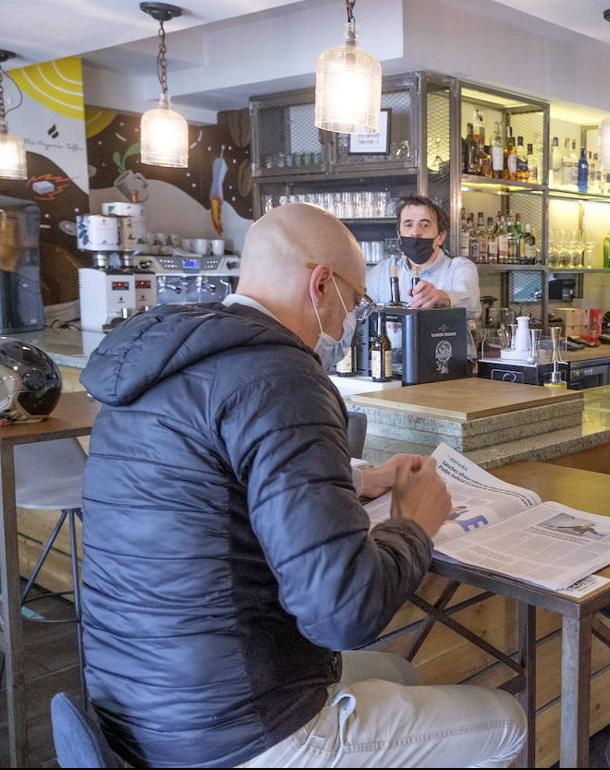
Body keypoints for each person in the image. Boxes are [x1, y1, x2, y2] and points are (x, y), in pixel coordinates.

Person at [79, 204, 525, 768]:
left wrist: (358, 478)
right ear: (321, 285)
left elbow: (213, 481)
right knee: (507, 721)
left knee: (398, 672)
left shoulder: (166, 360)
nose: (347, 325)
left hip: (136, 706)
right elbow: (343, 613)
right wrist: (411, 524)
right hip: (237, 728)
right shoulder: (282, 375)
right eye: (355, 303)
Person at [366, 196, 481, 320]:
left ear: (441, 237)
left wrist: (444, 297)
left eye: (425, 225)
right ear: (399, 235)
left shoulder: (458, 267)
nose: (415, 232)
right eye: (408, 225)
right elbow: (359, 309)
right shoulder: (383, 271)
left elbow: (473, 307)